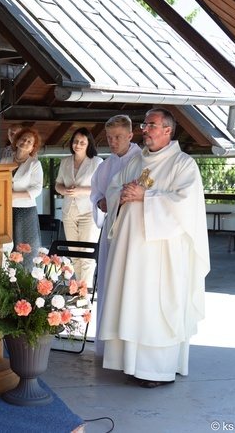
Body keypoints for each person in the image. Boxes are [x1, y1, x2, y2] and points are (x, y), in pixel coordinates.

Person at [98, 108, 209, 388]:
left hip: (161, 255)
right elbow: (113, 190)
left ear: (167, 131)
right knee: (133, 302)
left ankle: (156, 370)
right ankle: (130, 363)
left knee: (155, 306)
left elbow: (185, 205)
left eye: (151, 125)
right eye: (144, 124)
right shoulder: (135, 163)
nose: (145, 129)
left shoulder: (183, 164)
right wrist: (120, 196)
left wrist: (146, 195)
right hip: (131, 253)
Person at [89, 114, 141, 355]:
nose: (113, 141)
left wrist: (112, 200)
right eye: (109, 137)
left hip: (131, 233)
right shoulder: (105, 165)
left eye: (118, 136)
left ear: (130, 135)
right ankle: (107, 345)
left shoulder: (141, 161)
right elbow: (96, 194)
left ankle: (126, 347)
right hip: (110, 232)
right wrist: (101, 202)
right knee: (107, 284)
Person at [55, 128, 103, 286]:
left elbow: (102, 188)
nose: (78, 145)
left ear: (88, 144)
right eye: (76, 141)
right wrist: (64, 191)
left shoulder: (97, 162)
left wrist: (80, 191)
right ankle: (79, 289)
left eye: (82, 142)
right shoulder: (65, 162)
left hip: (88, 211)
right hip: (69, 211)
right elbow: (58, 185)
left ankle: (85, 294)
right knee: (75, 254)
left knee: (87, 253)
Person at [0, 127, 43, 267]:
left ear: (32, 148)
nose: (25, 142)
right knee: (7, 249)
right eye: (23, 138)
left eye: (30, 141)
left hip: (25, 212)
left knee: (25, 251)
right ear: (16, 141)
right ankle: (8, 283)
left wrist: (13, 195)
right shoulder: (5, 160)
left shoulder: (34, 164)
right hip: (6, 210)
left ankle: (24, 284)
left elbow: (36, 189)